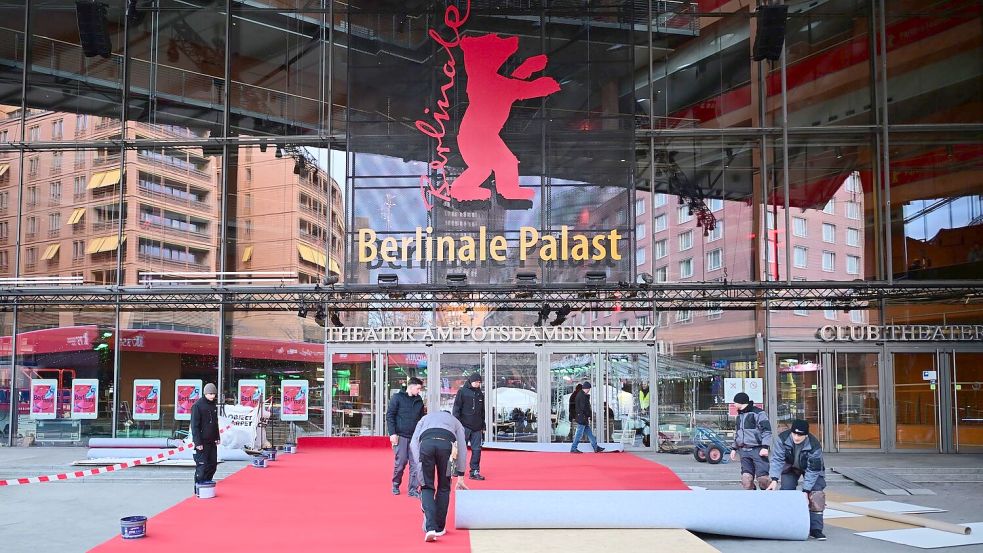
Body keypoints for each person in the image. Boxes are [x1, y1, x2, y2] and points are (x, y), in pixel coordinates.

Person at [410, 410, 468, 543]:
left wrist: (419, 461)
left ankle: (430, 528)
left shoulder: (425, 418)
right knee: (444, 487)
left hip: (426, 445)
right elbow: (462, 448)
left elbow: (413, 442)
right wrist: (461, 475)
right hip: (446, 447)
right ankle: (439, 527)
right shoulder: (455, 421)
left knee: (427, 486)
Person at [767, 419, 827, 541]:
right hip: (790, 468)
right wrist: (774, 479)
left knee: (816, 495)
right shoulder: (782, 439)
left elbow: (813, 470)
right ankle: (788, 524)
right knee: (787, 492)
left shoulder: (814, 445)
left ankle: (816, 529)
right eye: (794, 434)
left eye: (800, 435)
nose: (796, 437)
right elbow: (777, 459)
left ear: (806, 435)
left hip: (811, 469)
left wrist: (806, 491)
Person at [387, 377, 425, 497]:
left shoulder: (419, 400)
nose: (419, 391)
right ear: (411, 386)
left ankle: (413, 489)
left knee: (415, 464)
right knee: (401, 462)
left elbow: (421, 419)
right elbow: (390, 416)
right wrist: (392, 433)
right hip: (401, 436)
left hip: (415, 437)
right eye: (418, 388)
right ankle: (396, 484)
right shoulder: (397, 398)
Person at [729, 392, 772, 490]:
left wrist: (765, 447)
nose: (734, 404)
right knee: (746, 480)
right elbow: (738, 434)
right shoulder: (739, 416)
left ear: (741, 402)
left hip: (757, 450)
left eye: (735, 402)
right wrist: (734, 448)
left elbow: (767, 431)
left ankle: (769, 500)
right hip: (743, 451)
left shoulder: (758, 413)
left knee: (763, 480)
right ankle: (752, 499)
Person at [452, 372, 486, 480]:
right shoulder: (462, 392)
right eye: (476, 382)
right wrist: (456, 424)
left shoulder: (480, 394)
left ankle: (474, 471)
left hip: (477, 427)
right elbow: (456, 408)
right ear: (471, 381)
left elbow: (482, 411)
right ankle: (456, 469)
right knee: (461, 449)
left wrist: (483, 425)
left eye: (479, 382)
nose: (478, 384)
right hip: (463, 426)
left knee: (477, 450)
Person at [190, 382, 220, 496]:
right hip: (202, 442)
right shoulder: (197, 406)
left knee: (212, 464)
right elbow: (194, 426)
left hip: (212, 441)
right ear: (205, 393)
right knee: (202, 466)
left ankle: (206, 485)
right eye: (210, 394)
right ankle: (198, 488)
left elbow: (215, 423)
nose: (212, 396)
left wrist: (217, 436)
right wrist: (197, 442)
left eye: (214, 394)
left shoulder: (213, 405)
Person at [570, 381, 605, 453]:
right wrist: (588, 415)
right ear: (587, 388)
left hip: (582, 417)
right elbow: (584, 407)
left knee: (589, 433)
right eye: (589, 389)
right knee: (579, 434)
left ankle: (595, 447)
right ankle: (573, 448)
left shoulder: (580, 395)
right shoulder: (582, 396)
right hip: (583, 418)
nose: (589, 390)